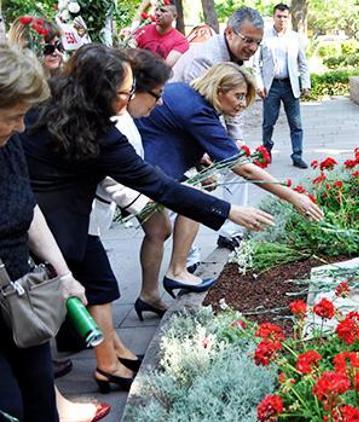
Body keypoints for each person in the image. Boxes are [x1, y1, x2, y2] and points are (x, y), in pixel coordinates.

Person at [21, 44, 278, 393]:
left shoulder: (63, 103)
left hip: (62, 208)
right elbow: (159, 186)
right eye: (126, 92)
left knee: (100, 281)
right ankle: (88, 372)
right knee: (42, 303)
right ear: (101, 91)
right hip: (45, 215)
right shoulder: (101, 135)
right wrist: (229, 211)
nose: (130, 100)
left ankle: (111, 358)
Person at [135, 63, 323, 302]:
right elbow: (243, 167)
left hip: (146, 158)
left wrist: (200, 159)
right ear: (219, 90)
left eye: (246, 97)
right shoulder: (198, 110)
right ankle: (177, 271)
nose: (243, 104)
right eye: (239, 96)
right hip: (142, 165)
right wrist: (294, 197)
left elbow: (174, 130)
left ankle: (149, 296)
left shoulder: (189, 96)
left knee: (158, 229)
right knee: (191, 202)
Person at [0, 44, 109, 422]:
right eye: (13, 116)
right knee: (10, 408)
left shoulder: (9, 142)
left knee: (41, 399)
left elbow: (27, 208)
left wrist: (63, 275)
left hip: (17, 296)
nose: (21, 127)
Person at [87, 48, 172, 320]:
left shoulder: (125, 119)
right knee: (100, 286)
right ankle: (107, 356)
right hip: (87, 215)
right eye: (157, 95)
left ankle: (149, 294)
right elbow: (115, 176)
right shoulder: (116, 124)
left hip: (105, 207)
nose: (159, 103)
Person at [170, 6, 264, 250]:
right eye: (248, 40)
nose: (253, 48)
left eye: (257, 42)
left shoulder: (235, 60)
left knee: (237, 165)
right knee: (180, 199)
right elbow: (196, 115)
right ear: (230, 32)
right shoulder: (206, 60)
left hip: (196, 128)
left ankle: (231, 232)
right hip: (175, 133)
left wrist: (238, 144)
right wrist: (205, 156)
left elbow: (233, 109)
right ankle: (185, 261)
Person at [256, 3, 311, 169]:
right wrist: (259, 84)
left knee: (296, 124)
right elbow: (255, 64)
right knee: (268, 123)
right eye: (279, 16)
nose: (282, 19)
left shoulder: (295, 38)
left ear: (289, 18)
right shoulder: (264, 37)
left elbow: (303, 63)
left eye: (285, 17)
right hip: (271, 86)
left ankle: (297, 154)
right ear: (274, 17)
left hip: (290, 85)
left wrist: (305, 84)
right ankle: (266, 152)